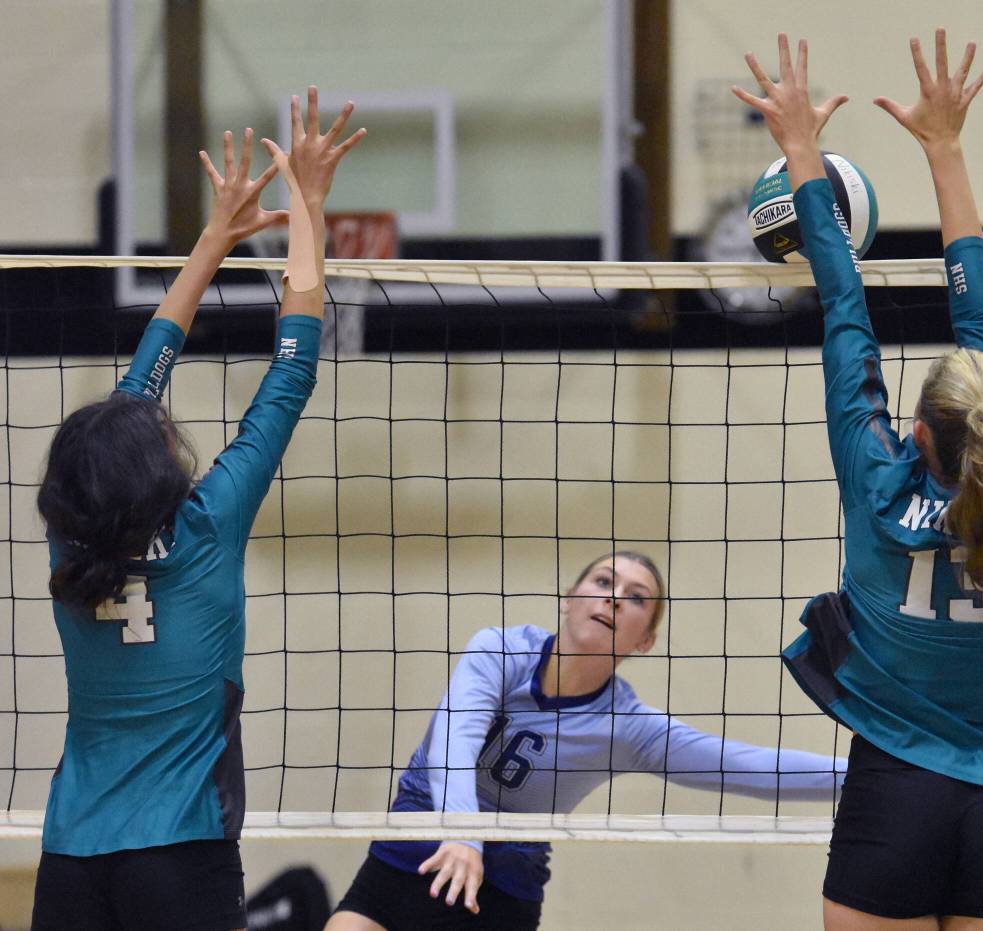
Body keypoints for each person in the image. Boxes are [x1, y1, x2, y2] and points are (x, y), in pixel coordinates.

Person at [30, 89, 365, 931]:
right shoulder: (207, 529)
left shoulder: (70, 541)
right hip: (181, 856)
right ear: (155, 467)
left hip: (70, 857)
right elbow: (292, 370)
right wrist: (306, 209)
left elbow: (132, 401)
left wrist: (215, 238)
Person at [734, 31, 983, 928]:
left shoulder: (879, 483)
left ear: (916, 434)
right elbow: (982, 314)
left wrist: (800, 154)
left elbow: (844, 308)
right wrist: (948, 149)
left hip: (898, 782)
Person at [328, 551, 846, 930]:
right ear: (570, 598)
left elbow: (749, 766)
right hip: (415, 849)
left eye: (636, 598)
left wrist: (869, 776)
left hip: (500, 889)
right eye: (603, 582)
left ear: (646, 641)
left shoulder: (628, 727)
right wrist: (463, 834)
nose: (614, 598)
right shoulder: (499, 651)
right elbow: (453, 742)